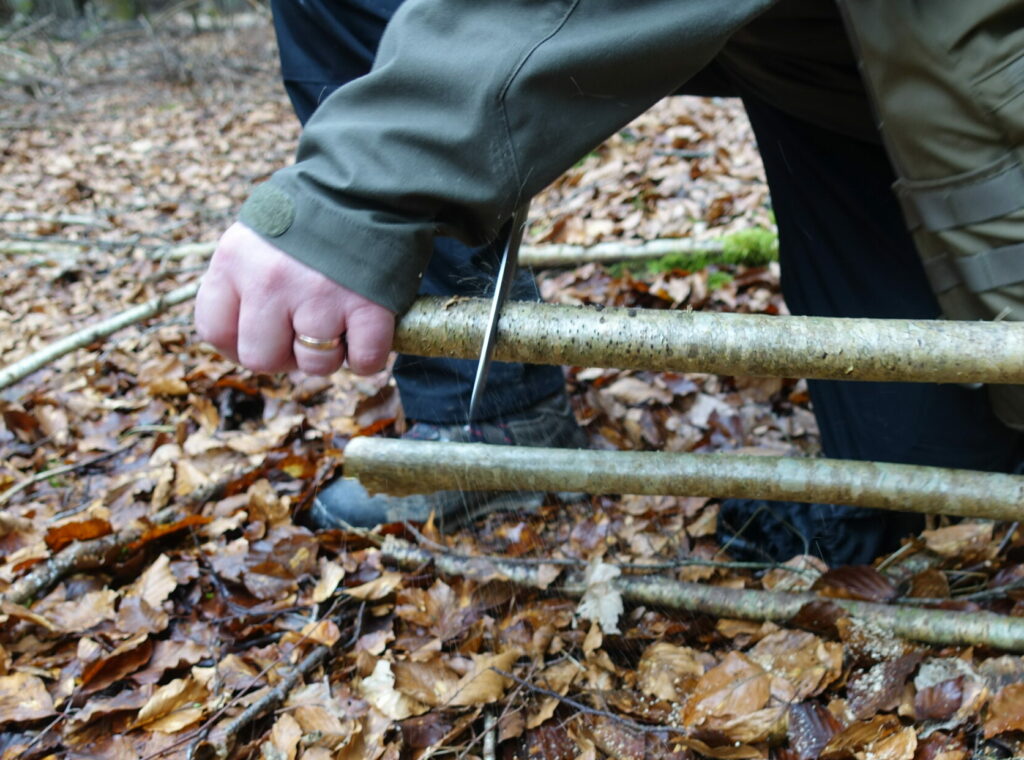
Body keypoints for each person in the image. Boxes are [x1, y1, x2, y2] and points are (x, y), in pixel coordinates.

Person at [195, 0, 1023, 565]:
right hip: (842, 55)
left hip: (951, 72)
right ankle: (492, 424)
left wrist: (357, 186)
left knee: (956, 515)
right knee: (932, 502)